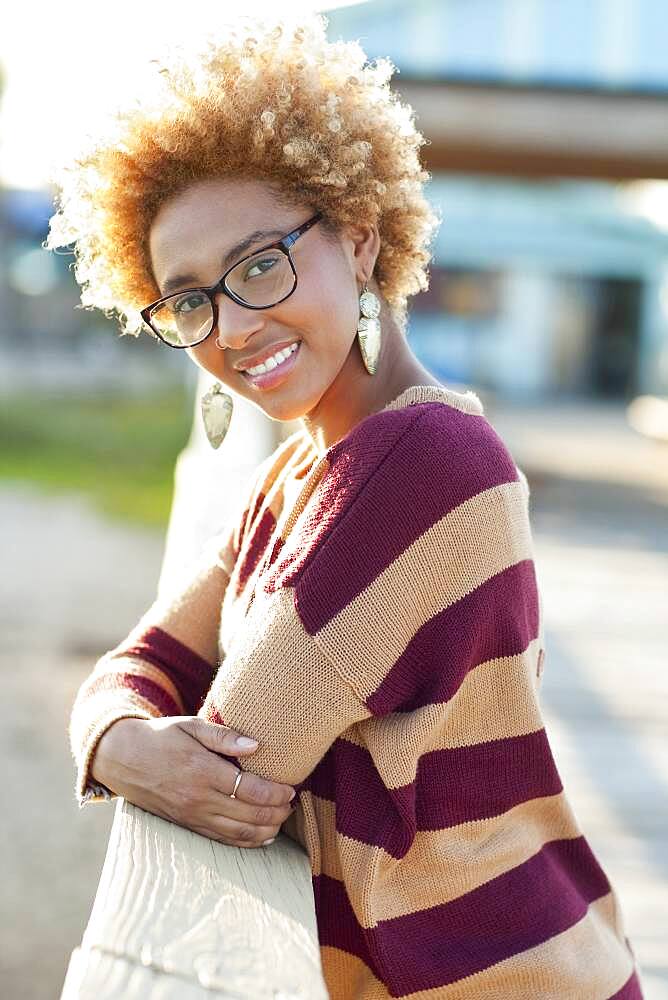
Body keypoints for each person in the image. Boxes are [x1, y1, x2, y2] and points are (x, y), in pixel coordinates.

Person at [48, 15, 643, 999]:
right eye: (188, 298)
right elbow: (143, 664)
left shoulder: (426, 460)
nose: (231, 327)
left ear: (360, 238)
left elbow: (239, 755)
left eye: (258, 265)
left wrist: (136, 740)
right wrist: (114, 738)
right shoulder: (296, 477)